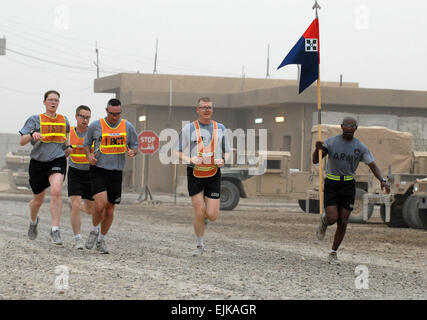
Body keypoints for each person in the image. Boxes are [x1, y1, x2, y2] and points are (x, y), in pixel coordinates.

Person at [312, 116, 390, 265]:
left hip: (348, 186)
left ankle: (333, 253)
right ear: (341, 127)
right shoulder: (331, 142)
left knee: (343, 220)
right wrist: (317, 149)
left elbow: (373, 165)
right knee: (333, 218)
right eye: (345, 127)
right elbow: (316, 160)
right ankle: (325, 220)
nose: (348, 130)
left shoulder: (360, 147)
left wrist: (383, 181)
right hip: (332, 184)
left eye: (351, 127)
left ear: (355, 128)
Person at [175, 97, 230, 256]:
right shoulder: (189, 129)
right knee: (199, 210)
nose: (207, 110)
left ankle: (205, 218)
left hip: (213, 173)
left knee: (212, 215)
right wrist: (189, 159)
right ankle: (199, 245)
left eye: (209, 107)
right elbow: (176, 151)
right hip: (195, 172)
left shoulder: (220, 128)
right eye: (203, 107)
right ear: (197, 110)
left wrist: (223, 159)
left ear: (212, 110)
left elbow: (227, 150)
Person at [83, 98, 138, 254]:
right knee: (100, 204)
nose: (115, 117)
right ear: (107, 111)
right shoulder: (95, 125)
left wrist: (133, 151)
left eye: (118, 114)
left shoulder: (127, 126)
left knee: (109, 209)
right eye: (112, 113)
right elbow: (86, 143)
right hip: (98, 169)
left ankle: (101, 240)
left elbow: (135, 145)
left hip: (116, 172)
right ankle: (94, 230)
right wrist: (89, 156)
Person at [19, 90, 71, 245]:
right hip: (38, 162)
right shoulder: (35, 119)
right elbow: (22, 141)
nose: (53, 103)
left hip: (57, 159)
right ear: (44, 102)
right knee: (38, 200)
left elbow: (66, 137)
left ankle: (55, 229)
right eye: (50, 100)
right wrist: (33, 134)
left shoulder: (64, 120)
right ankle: (33, 221)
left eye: (56, 100)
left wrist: (68, 147)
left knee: (56, 191)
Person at [67, 105, 95, 250]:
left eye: (87, 117)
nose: (85, 120)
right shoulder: (70, 132)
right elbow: (62, 151)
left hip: (90, 173)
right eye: (82, 116)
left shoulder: (94, 133)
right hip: (74, 172)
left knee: (90, 210)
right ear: (76, 116)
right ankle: (78, 239)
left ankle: (73, 206)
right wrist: (66, 150)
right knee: (76, 204)